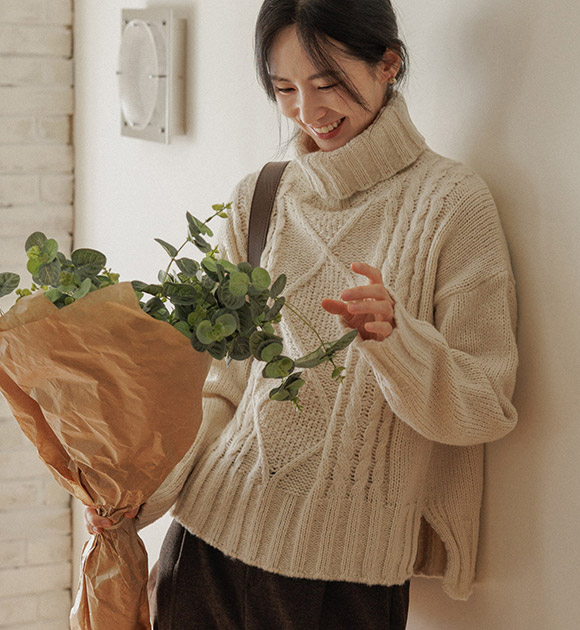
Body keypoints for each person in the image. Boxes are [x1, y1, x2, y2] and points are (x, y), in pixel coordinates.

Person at [86, 0, 518, 627]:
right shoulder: (259, 197)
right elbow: (219, 389)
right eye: (285, 88)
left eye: (327, 83)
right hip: (206, 546)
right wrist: (142, 497)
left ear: (388, 64)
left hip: (346, 581)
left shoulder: (452, 205)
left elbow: (485, 404)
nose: (308, 112)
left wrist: (395, 339)